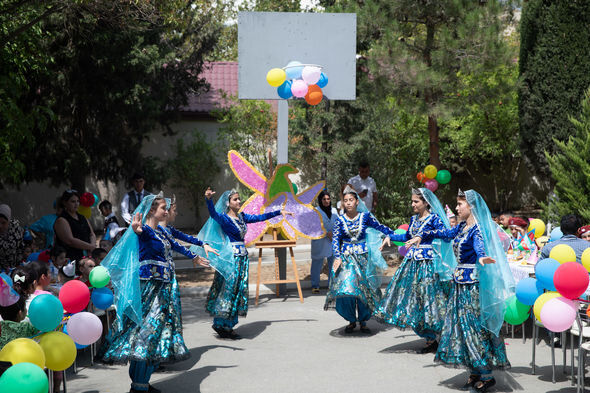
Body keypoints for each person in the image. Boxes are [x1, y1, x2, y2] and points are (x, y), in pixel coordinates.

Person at [406, 189, 514, 392]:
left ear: (471, 207)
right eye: (456, 205)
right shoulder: (462, 227)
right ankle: (473, 370)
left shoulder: (477, 230)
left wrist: (481, 258)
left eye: (459, 205)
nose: (456, 208)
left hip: (471, 287)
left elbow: (480, 248)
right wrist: (424, 235)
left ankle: (486, 374)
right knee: (460, 328)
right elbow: (446, 234)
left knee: (472, 328)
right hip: (459, 286)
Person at [101, 192, 209, 393]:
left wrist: (194, 255)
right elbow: (139, 233)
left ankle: (141, 382)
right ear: (152, 210)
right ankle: (138, 385)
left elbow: (176, 244)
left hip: (164, 290)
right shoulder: (146, 231)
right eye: (163, 208)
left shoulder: (161, 231)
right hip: (150, 290)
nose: (167, 211)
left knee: (156, 335)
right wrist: (136, 230)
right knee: (146, 334)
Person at [203, 188, 288, 339]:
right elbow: (213, 215)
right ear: (228, 203)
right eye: (235, 199)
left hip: (243, 258)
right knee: (228, 290)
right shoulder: (224, 218)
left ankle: (227, 325)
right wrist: (208, 200)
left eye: (238, 199)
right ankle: (221, 324)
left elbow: (260, 217)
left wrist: (278, 212)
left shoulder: (242, 217)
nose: (238, 201)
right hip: (231, 259)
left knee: (238, 291)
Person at [375, 188, 453, 353]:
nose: (413, 204)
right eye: (412, 201)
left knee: (430, 298)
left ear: (426, 203)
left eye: (416, 201)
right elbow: (407, 237)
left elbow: (446, 235)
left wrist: (424, 236)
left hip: (428, 264)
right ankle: (429, 337)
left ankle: (439, 334)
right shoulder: (413, 219)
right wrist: (390, 236)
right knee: (415, 298)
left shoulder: (434, 218)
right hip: (412, 263)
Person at [325, 186, 395, 334]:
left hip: (363, 258)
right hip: (347, 259)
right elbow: (336, 240)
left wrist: (392, 235)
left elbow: (380, 227)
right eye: (345, 201)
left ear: (357, 202)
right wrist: (337, 256)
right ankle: (351, 320)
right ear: (343, 203)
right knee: (348, 289)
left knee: (365, 289)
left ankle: (363, 320)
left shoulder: (365, 217)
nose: (348, 203)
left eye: (351, 200)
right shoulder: (340, 220)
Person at [160, 195, 217, 261]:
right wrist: (194, 256)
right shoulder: (158, 230)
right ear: (166, 212)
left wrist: (203, 244)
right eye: (174, 210)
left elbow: (186, 237)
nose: (176, 213)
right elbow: (176, 245)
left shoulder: (169, 229)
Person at [54, 190, 96, 262]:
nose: (76, 204)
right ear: (65, 203)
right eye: (73, 201)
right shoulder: (62, 220)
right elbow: (70, 240)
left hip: (87, 257)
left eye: (78, 201)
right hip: (71, 258)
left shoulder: (83, 217)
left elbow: (92, 234)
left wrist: (92, 247)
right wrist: (90, 247)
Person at [310, 191, 338, 293]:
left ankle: (332, 285)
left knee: (333, 263)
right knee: (317, 263)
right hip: (320, 240)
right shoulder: (315, 211)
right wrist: (326, 233)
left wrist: (334, 234)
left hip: (332, 240)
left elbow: (338, 224)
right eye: (324, 199)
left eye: (328, 199)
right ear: (320, 200)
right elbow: (313, 226)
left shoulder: (334, 210)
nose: (326, 201)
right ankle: (315, 285)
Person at [0, 204, 25, 272]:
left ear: (9, 221)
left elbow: (20, 249)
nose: (0, 226)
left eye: (3, 223)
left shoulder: (16, 230)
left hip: (13, 268)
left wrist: (18, 267)